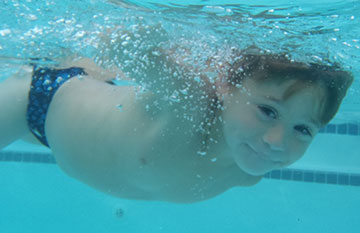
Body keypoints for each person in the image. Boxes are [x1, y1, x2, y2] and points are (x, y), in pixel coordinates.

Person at [0, 26, 353, 203]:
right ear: (226, 86)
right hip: (35, 100)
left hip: (72, 125)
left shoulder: (247, 172)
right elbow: (120, 41)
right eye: (267, 111)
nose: (277, 141)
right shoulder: (192, 105)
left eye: (303, 129)